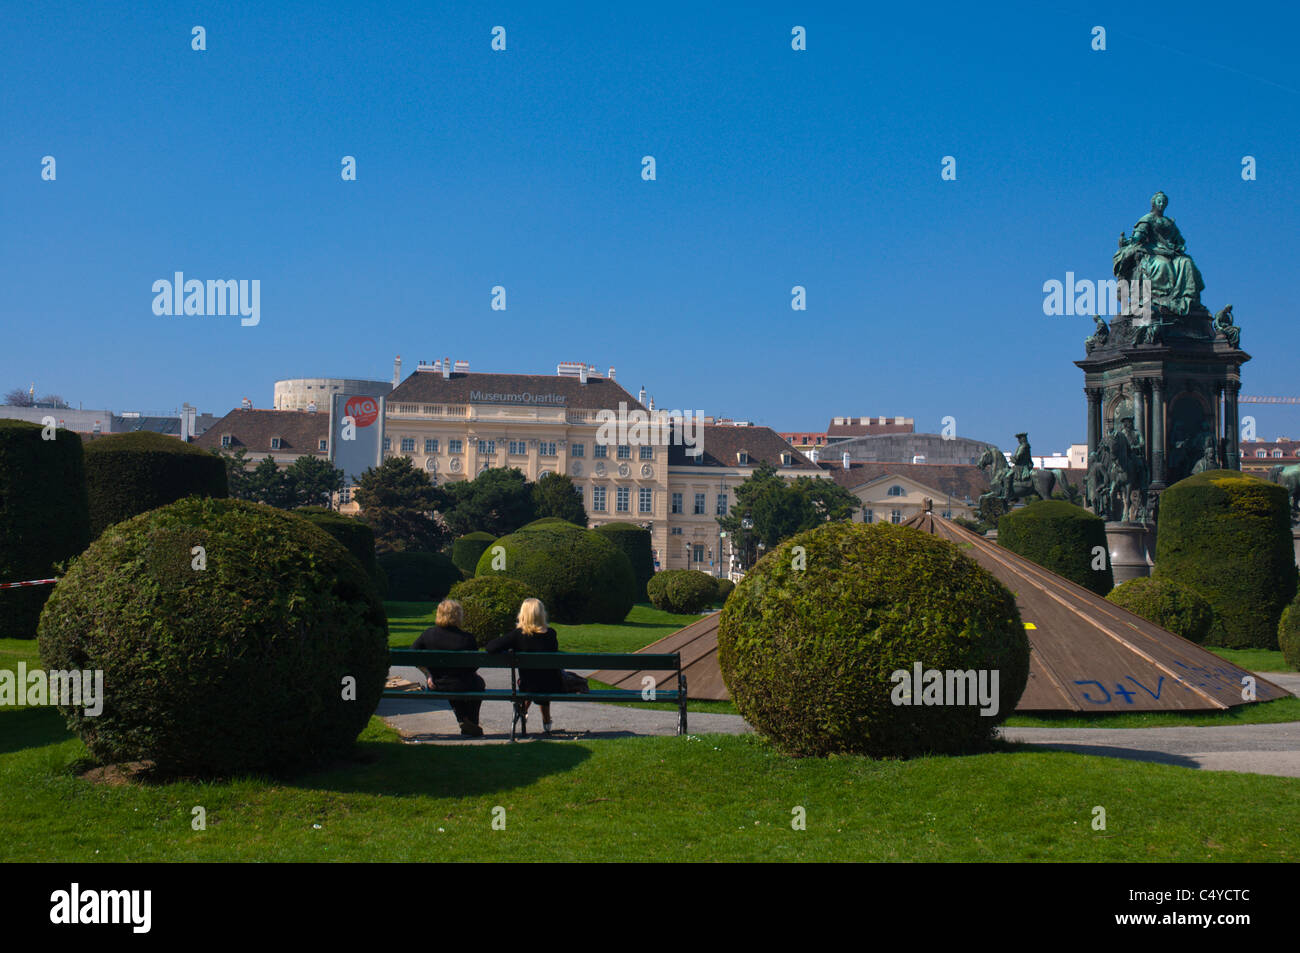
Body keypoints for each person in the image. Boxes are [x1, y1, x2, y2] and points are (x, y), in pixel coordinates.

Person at [485, 597, 564, 735]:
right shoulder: (551, 634)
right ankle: (546, 720)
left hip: (527, 684)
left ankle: (523, 711)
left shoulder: (518, 635)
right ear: (541, 614)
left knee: (531, 682)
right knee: (543, 679)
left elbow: (490, 647)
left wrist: (509, 652)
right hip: (552, 684)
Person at [411, 599, 484, 738]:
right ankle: (471, 721)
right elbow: (474, 666)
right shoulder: (467, 638)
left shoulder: (428, 634)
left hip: (438, 683)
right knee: (478, 683)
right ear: (458, 616)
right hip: (465, 683)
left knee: (451, 684)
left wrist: (428, 674)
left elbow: (411, 655)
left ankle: (463, 719)